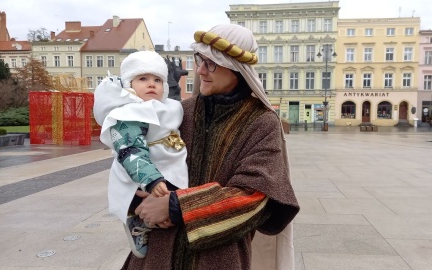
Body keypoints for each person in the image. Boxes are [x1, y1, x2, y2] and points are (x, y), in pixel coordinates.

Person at [122, 24, 300, 270]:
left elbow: (255, 196)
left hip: (218, 257)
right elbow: (139, 156)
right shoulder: (179, 111)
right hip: (157, 255)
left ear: (237, 69)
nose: (201, 70)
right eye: (200, 60)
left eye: (212, 63)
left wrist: (176, 207)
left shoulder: (261, 122)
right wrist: (138, 198)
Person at [93, 51, 188, 259]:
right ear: (129, 84)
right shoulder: (128, 112)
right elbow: (130, 149)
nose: (151, 84)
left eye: (157, 80)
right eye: (143, 79)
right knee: (145, 197)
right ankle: (137, 221)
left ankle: (160, 216)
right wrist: (150, 179)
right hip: (139, 171)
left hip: (166, 161)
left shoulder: (169, 107)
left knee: (169, 197)